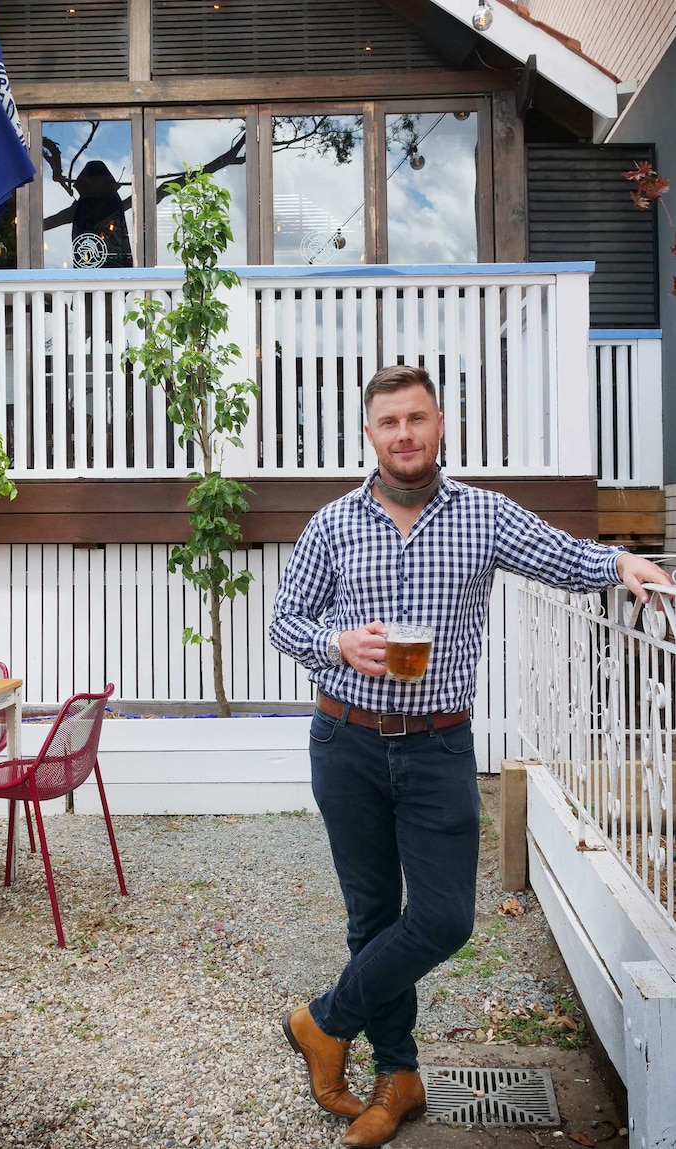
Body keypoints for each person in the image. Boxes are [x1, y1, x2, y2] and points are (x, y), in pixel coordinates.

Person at [268, 364, 671, 1149]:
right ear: (369, 433)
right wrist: (337, 643)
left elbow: (560, 555)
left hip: (439, 747)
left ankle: (323, 1021)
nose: (405, 434)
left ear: (440, 423)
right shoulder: (333, 524)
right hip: (344, 739)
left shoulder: (481, 514)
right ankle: (398, 1076)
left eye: (417, 418)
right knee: (373, 918)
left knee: (446, 917)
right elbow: (285, 622)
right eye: (389, 422)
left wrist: (620, 563)